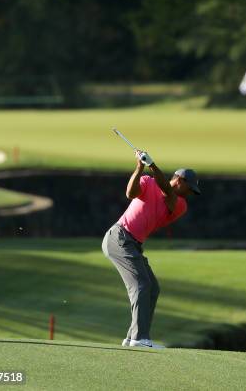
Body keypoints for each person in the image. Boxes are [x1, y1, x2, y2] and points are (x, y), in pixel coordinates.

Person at [102, 149, 200, 348]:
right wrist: (139, 167)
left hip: (132, 244)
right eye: (190, 189)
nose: (190, 194)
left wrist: (153, 164)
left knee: (152, 287)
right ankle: (140, 339)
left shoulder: (179, 204)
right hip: (119, 237)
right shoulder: (148, 181)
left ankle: (132, 337)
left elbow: (167, 191)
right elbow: (130, 193)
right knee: (141, 285)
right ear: (179, 180)